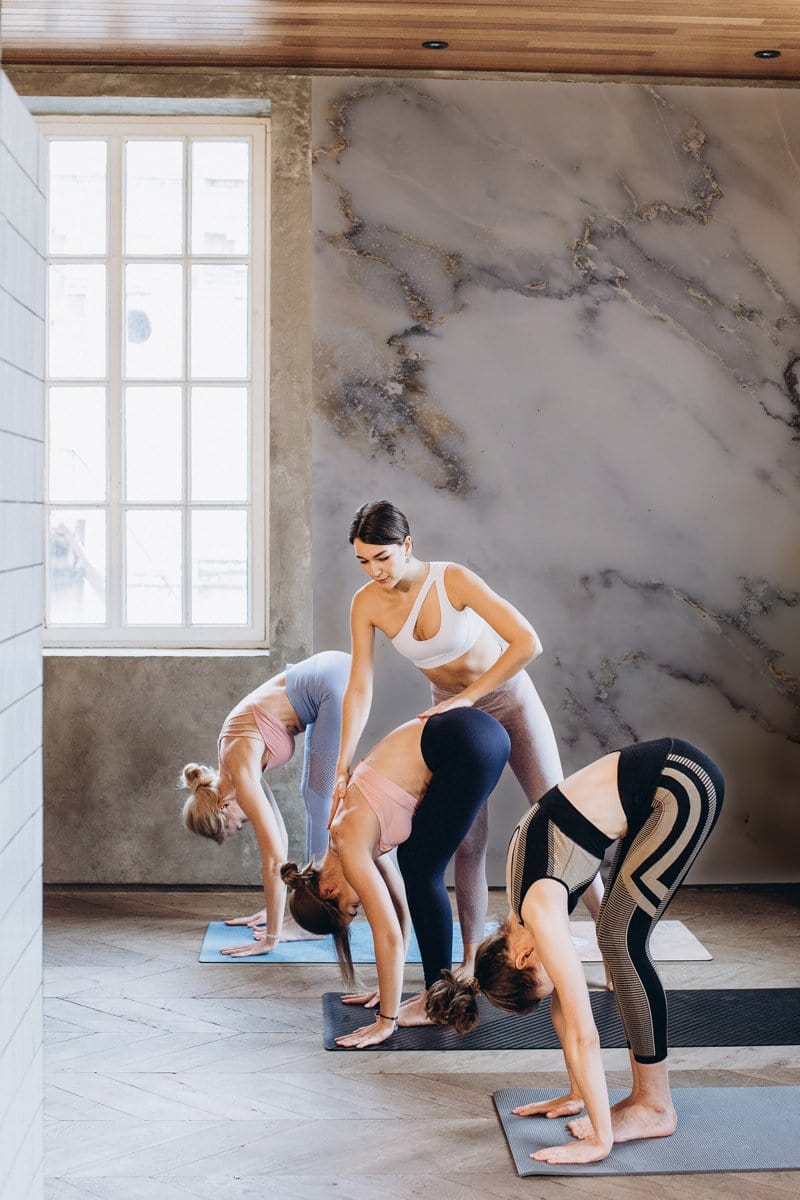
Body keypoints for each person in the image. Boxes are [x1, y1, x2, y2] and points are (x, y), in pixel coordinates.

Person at [426, 737, 724, 1165]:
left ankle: (655, 1106)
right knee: (616, 937)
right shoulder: (522, 910)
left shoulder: (539, 909)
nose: (560, 981)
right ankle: (643, 1100)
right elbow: (565, 1008)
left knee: (623, 942)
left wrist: (599, 1141)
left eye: (545, 983)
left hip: (681, 783)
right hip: (659, 787)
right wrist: (576, 1093)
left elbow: (586, 1034)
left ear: (523, 958)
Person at [333, 499, 601, 976]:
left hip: (509, 700)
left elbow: (527, 642)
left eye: (383, 558)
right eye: (364, 561)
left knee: (563, 820)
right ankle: (469, 960)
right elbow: (360, 684)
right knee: (467, 842)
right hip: (459, 725)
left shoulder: (450, 579)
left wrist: (468, 695)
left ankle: (611, 944)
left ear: (407, 545)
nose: (374, 571)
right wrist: (342, 760)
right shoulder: (366, 603)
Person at [283, 707, 510, 1046]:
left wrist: (385, 1021)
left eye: (351, 908)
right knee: (417, 865)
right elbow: (400, 908)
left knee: (421, 867)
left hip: (466, 742)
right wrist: (391, 985)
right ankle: (434, 996)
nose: (359, 903)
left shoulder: (350, 840)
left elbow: (385, 933)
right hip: (477, 736)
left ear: (328, 889)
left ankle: (435, 1003)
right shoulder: (349, 837)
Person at [179, 651, 350, 955]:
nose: (245, 821)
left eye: (238, 825)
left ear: (223, 807)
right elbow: (280, 844)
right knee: (313, 794)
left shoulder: (239, 771)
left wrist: (271, 937)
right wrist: (277, 911)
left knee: (318, 798)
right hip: (330, 675)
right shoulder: (233, 767)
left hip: (331, 682)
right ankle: (302, 916)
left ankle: (311, 922)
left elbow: (273, 861)